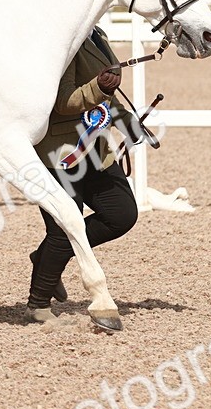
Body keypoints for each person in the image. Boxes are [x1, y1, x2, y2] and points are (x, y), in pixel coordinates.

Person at [27, 25, 138, 323]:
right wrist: (98, 88)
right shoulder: (62, 37)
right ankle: (37, 303)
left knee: (122, 214)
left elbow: (106, 95)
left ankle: (47, 256)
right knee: (63, 230)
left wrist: (125, 119)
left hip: (96, 148)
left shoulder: (96, 34)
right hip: (61, 151)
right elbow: (62, 102)